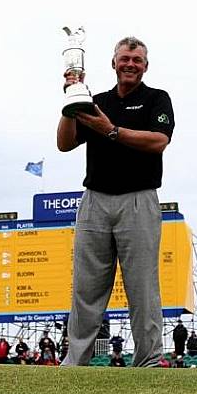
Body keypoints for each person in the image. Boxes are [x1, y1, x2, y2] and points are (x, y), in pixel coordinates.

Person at [57, 36, 175, 368]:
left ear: (145, 66)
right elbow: (64, 144)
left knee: (142, 287)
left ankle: (149, 361)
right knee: (86, 286)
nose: (130, 65)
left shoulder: (157, 99)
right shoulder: (96, 101)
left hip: (138, 199)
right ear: (114, 63)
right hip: (95, 200)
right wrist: (72, 100)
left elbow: (158, 141)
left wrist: (111, 131)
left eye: (137, 60)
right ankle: (75, 361)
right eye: (125, 58)